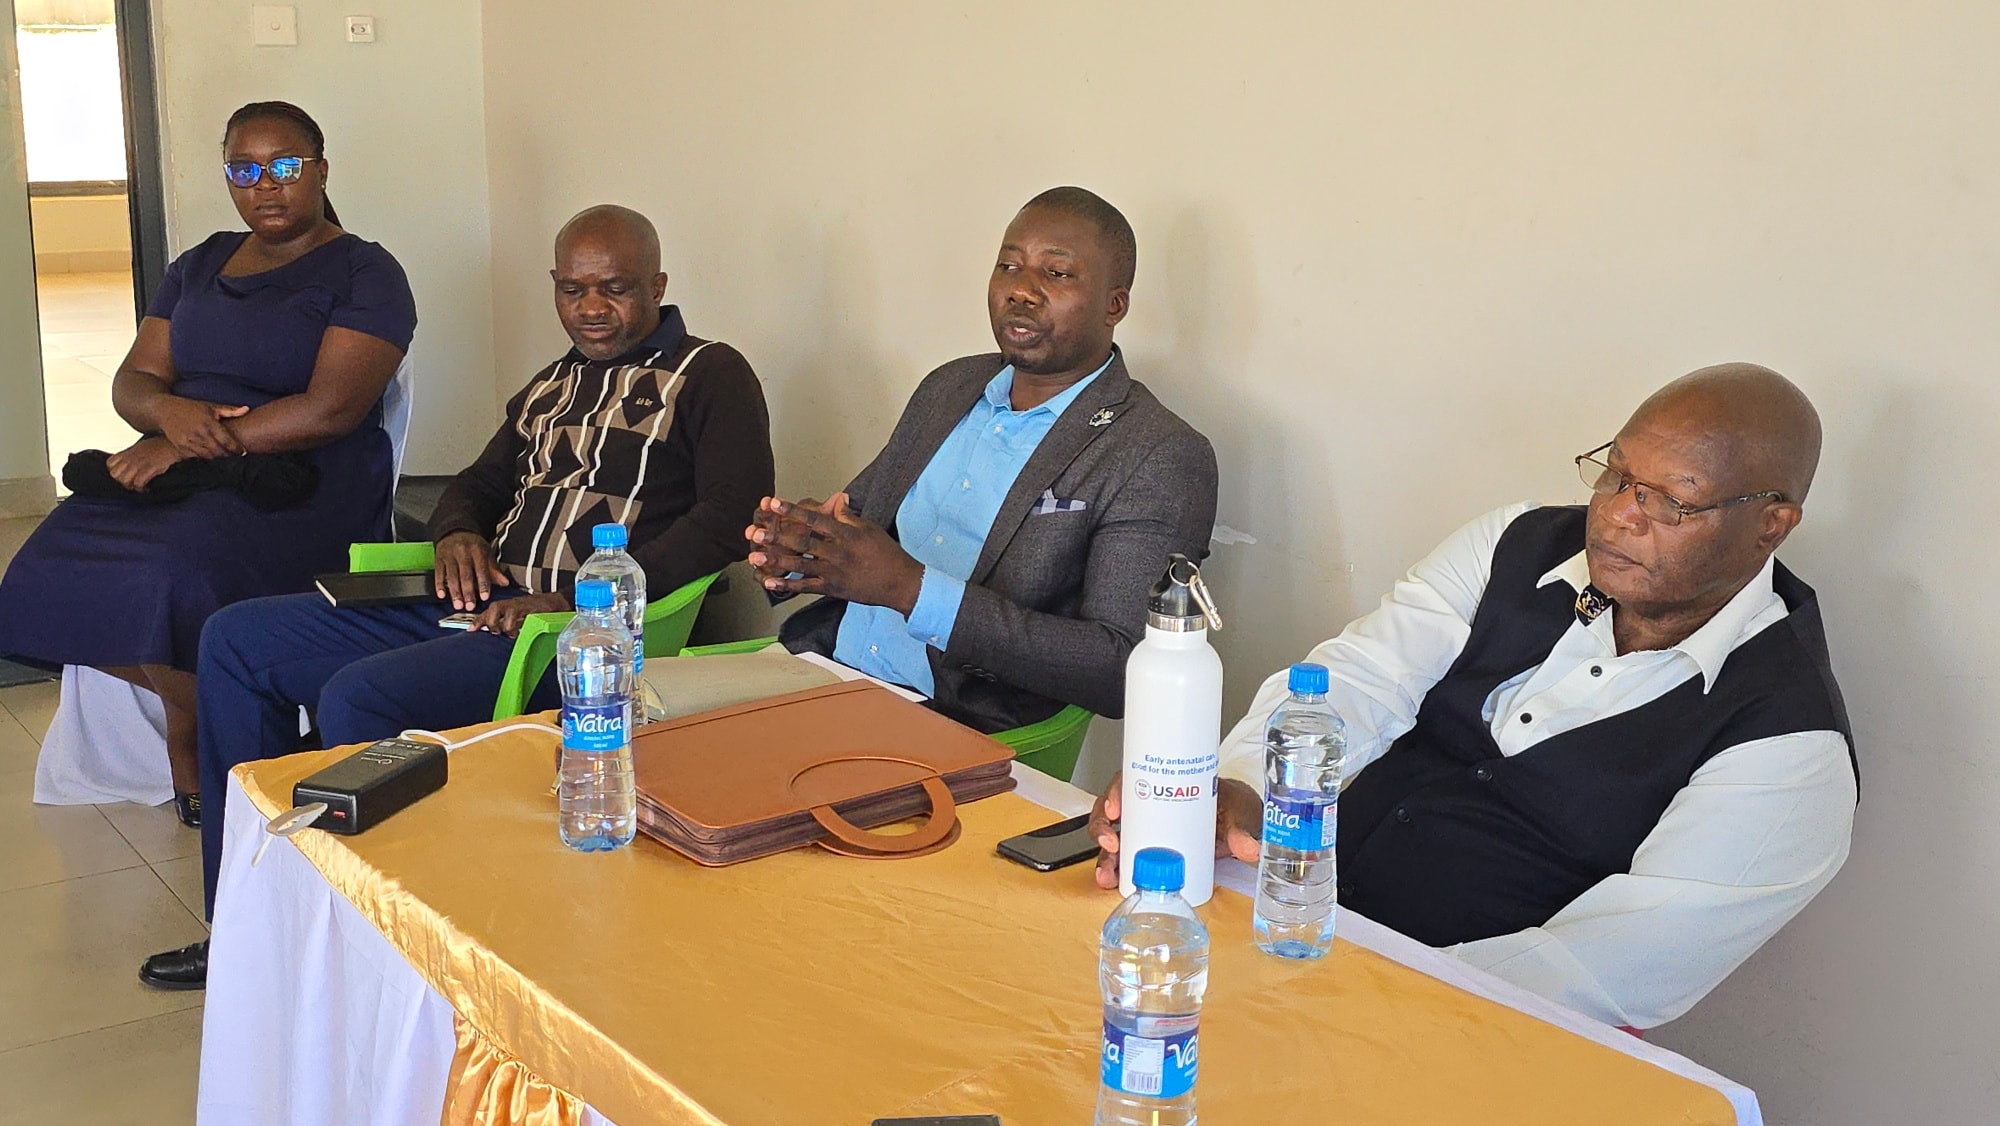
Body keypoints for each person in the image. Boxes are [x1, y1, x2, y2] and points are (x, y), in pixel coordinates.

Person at [1090, 364, 1857, 1030]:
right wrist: (1238, 792)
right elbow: (1359, 680)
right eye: (1616, 475)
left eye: (1671, 503)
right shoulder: (1514, 546)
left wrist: (1362, 993)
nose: (1620, 513)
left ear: (1771, 525)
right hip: (1293, 934)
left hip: (1462, 1022)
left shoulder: (1789, 741)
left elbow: (1606, 967)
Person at [138, 204, 774, 989]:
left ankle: (378, 957)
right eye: (572, 290)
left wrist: (581, 602)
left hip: (572, 641)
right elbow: (474, 485)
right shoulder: (553, 384)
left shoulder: (711, 374)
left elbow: (730, 515)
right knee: (236, 639)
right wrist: (458, 537)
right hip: (477, 601)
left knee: (357, 696)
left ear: (658, 286)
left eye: (614, 288)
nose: (591, 308)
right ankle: (247, 921)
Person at [0, 101, 417, 825]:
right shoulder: (200, 263)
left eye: (285, 166)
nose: (266, 185)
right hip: (189, 466)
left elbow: (331, 409)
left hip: (300, 478)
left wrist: (183, 442)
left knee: (177, 566)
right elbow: (135, 381)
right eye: (244, 169)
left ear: (321, 170)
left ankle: (190, 745)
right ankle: (191, 703)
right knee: (45, 563)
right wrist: (168, 416)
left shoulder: (366, 271)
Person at [746, 187, 1218, 734]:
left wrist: (910, 589)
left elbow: (1122, 667)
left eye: (1056, 273)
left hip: (950, 723)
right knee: (659, 742)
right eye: (1008, 266)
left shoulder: (1157, 452)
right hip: (819, 668)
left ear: (1114, 305)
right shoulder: (950, 386)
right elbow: (857, 525)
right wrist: (799, 547)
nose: (1021, 290)